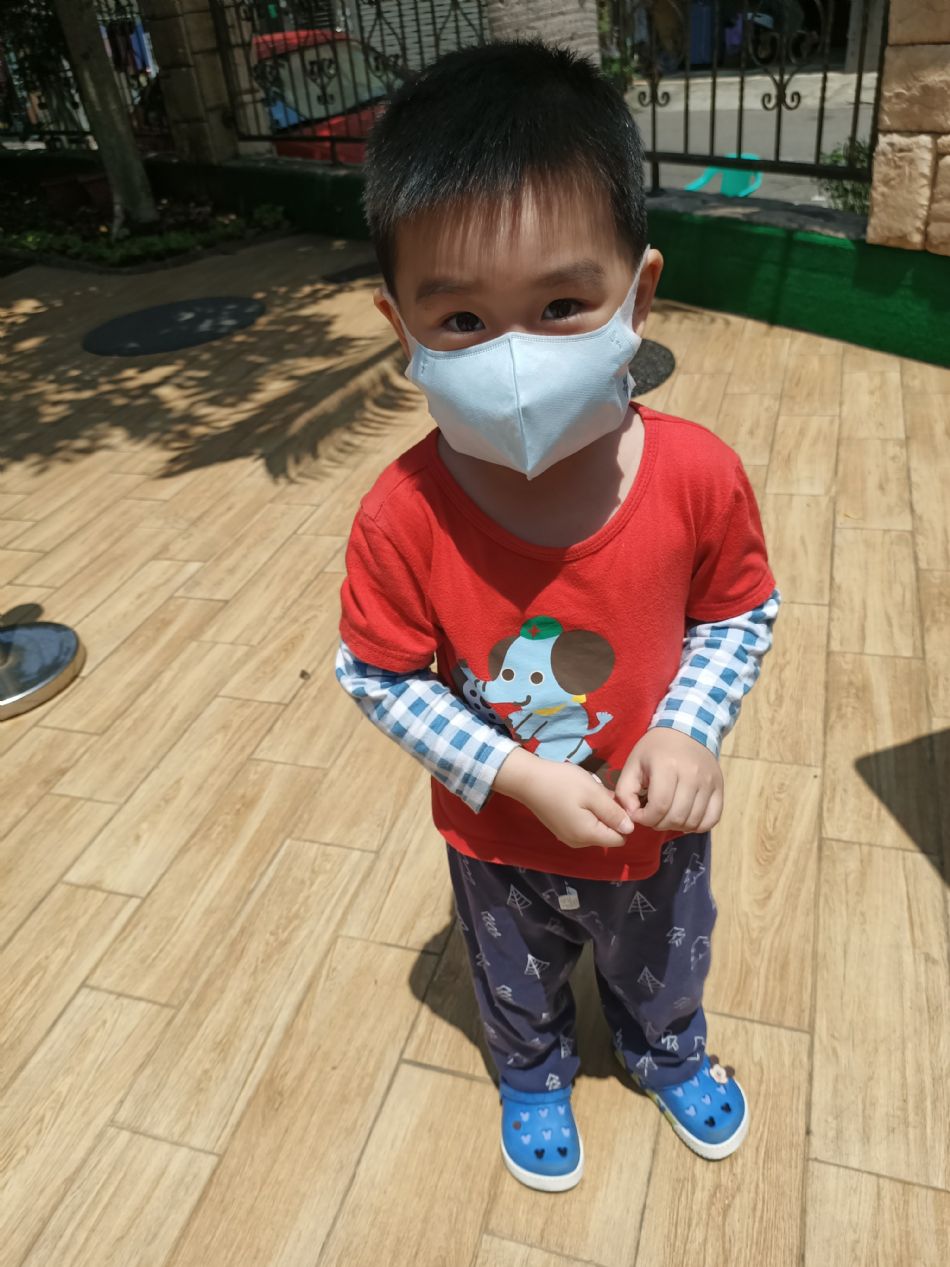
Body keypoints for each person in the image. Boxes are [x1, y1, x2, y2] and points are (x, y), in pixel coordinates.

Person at [336, 39, 779, 1193]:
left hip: (651, 824)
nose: (515, 358)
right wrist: (513, 774)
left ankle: (664, 1050)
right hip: (496, 836)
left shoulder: (696, 476)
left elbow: (738, 614)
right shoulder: (401, 515)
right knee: (512, 976)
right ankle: (530, 1073)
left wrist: (687, 726)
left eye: (561, 305)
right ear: (399, 326)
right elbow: (377, 674)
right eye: (461, 319)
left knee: (664, 957)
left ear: (638, 294)